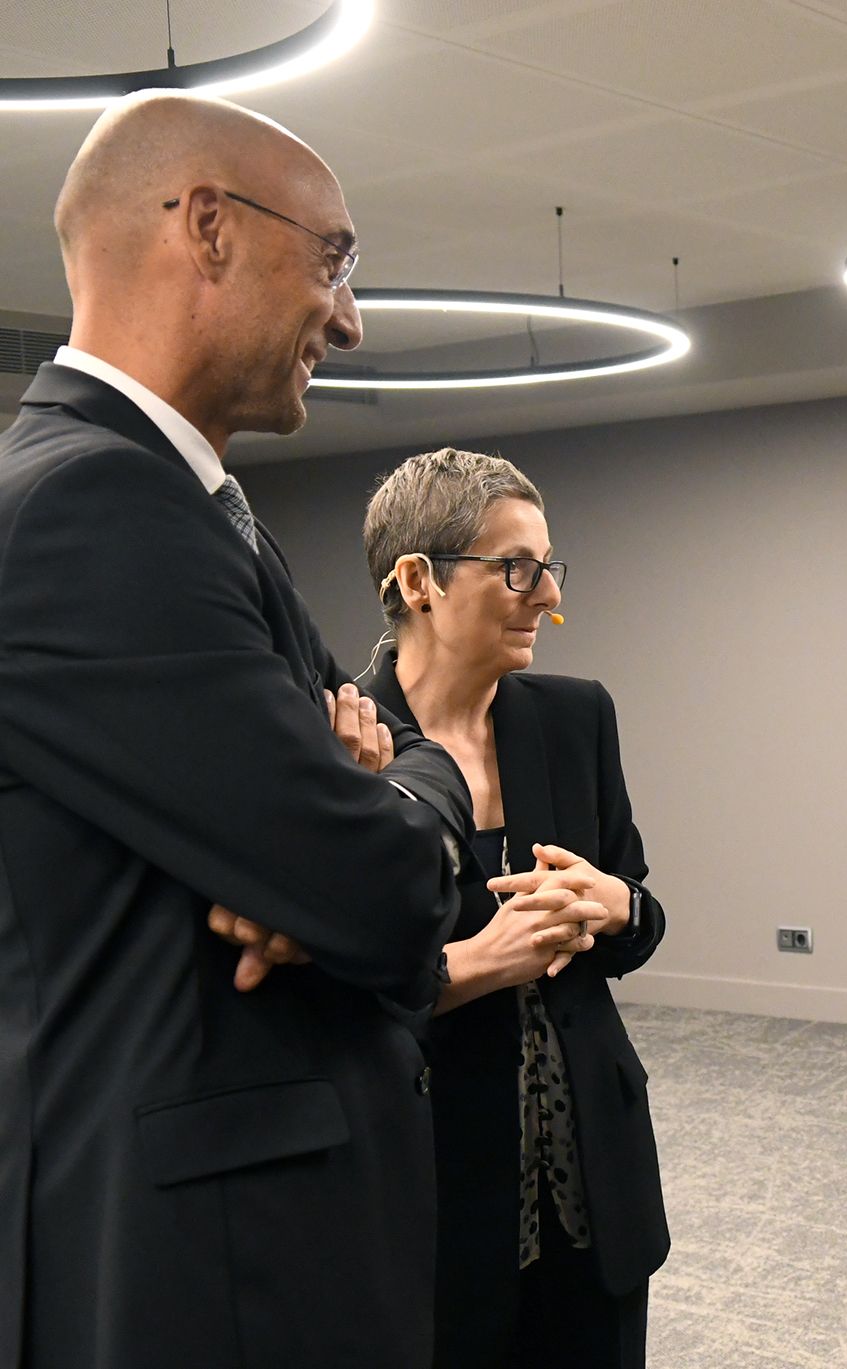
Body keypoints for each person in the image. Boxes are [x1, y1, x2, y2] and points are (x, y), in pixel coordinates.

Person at [0, 93, 474, 1368]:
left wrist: (379, 805)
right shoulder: (84, 507)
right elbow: (378, 893)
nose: (350, 315)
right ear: (207, 226)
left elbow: (410, 752)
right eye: (334, 257)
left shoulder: (200, 506)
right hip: (206, 1281)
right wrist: (362, 843)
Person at [360, 448, 669, 1369]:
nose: (548, 597)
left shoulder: (577, 718)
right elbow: (319, 999)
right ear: (419, 580)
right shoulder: (338, 740)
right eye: (517, 569)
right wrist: (472, 964)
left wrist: (616, 905)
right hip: (435, 1194)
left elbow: (640, 918)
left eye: (549, 568)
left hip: (595, 1186)